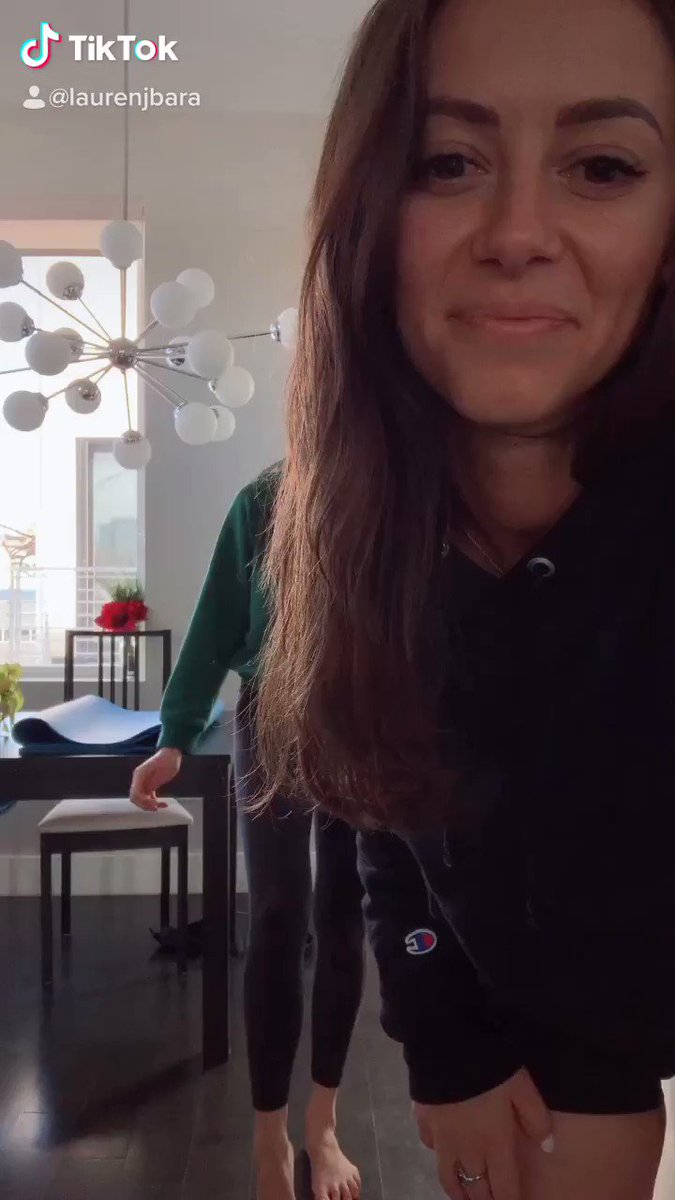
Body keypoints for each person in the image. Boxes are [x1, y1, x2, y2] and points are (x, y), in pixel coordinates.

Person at [246, 0, 675, 1197]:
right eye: (447, 163)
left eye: (603, 166)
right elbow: (390, 835)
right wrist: (444, 1034)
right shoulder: (364, 534)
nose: (518, 234)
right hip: (545, 1048)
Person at [129, 463, 364, 1200]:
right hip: (271, 713)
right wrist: (175, 735)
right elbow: (216, 622)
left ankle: (323, 1124)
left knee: (344, 916)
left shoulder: (400, 480)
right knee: (277, 912)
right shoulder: (265, 498)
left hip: (366, 718)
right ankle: (269, 1138)